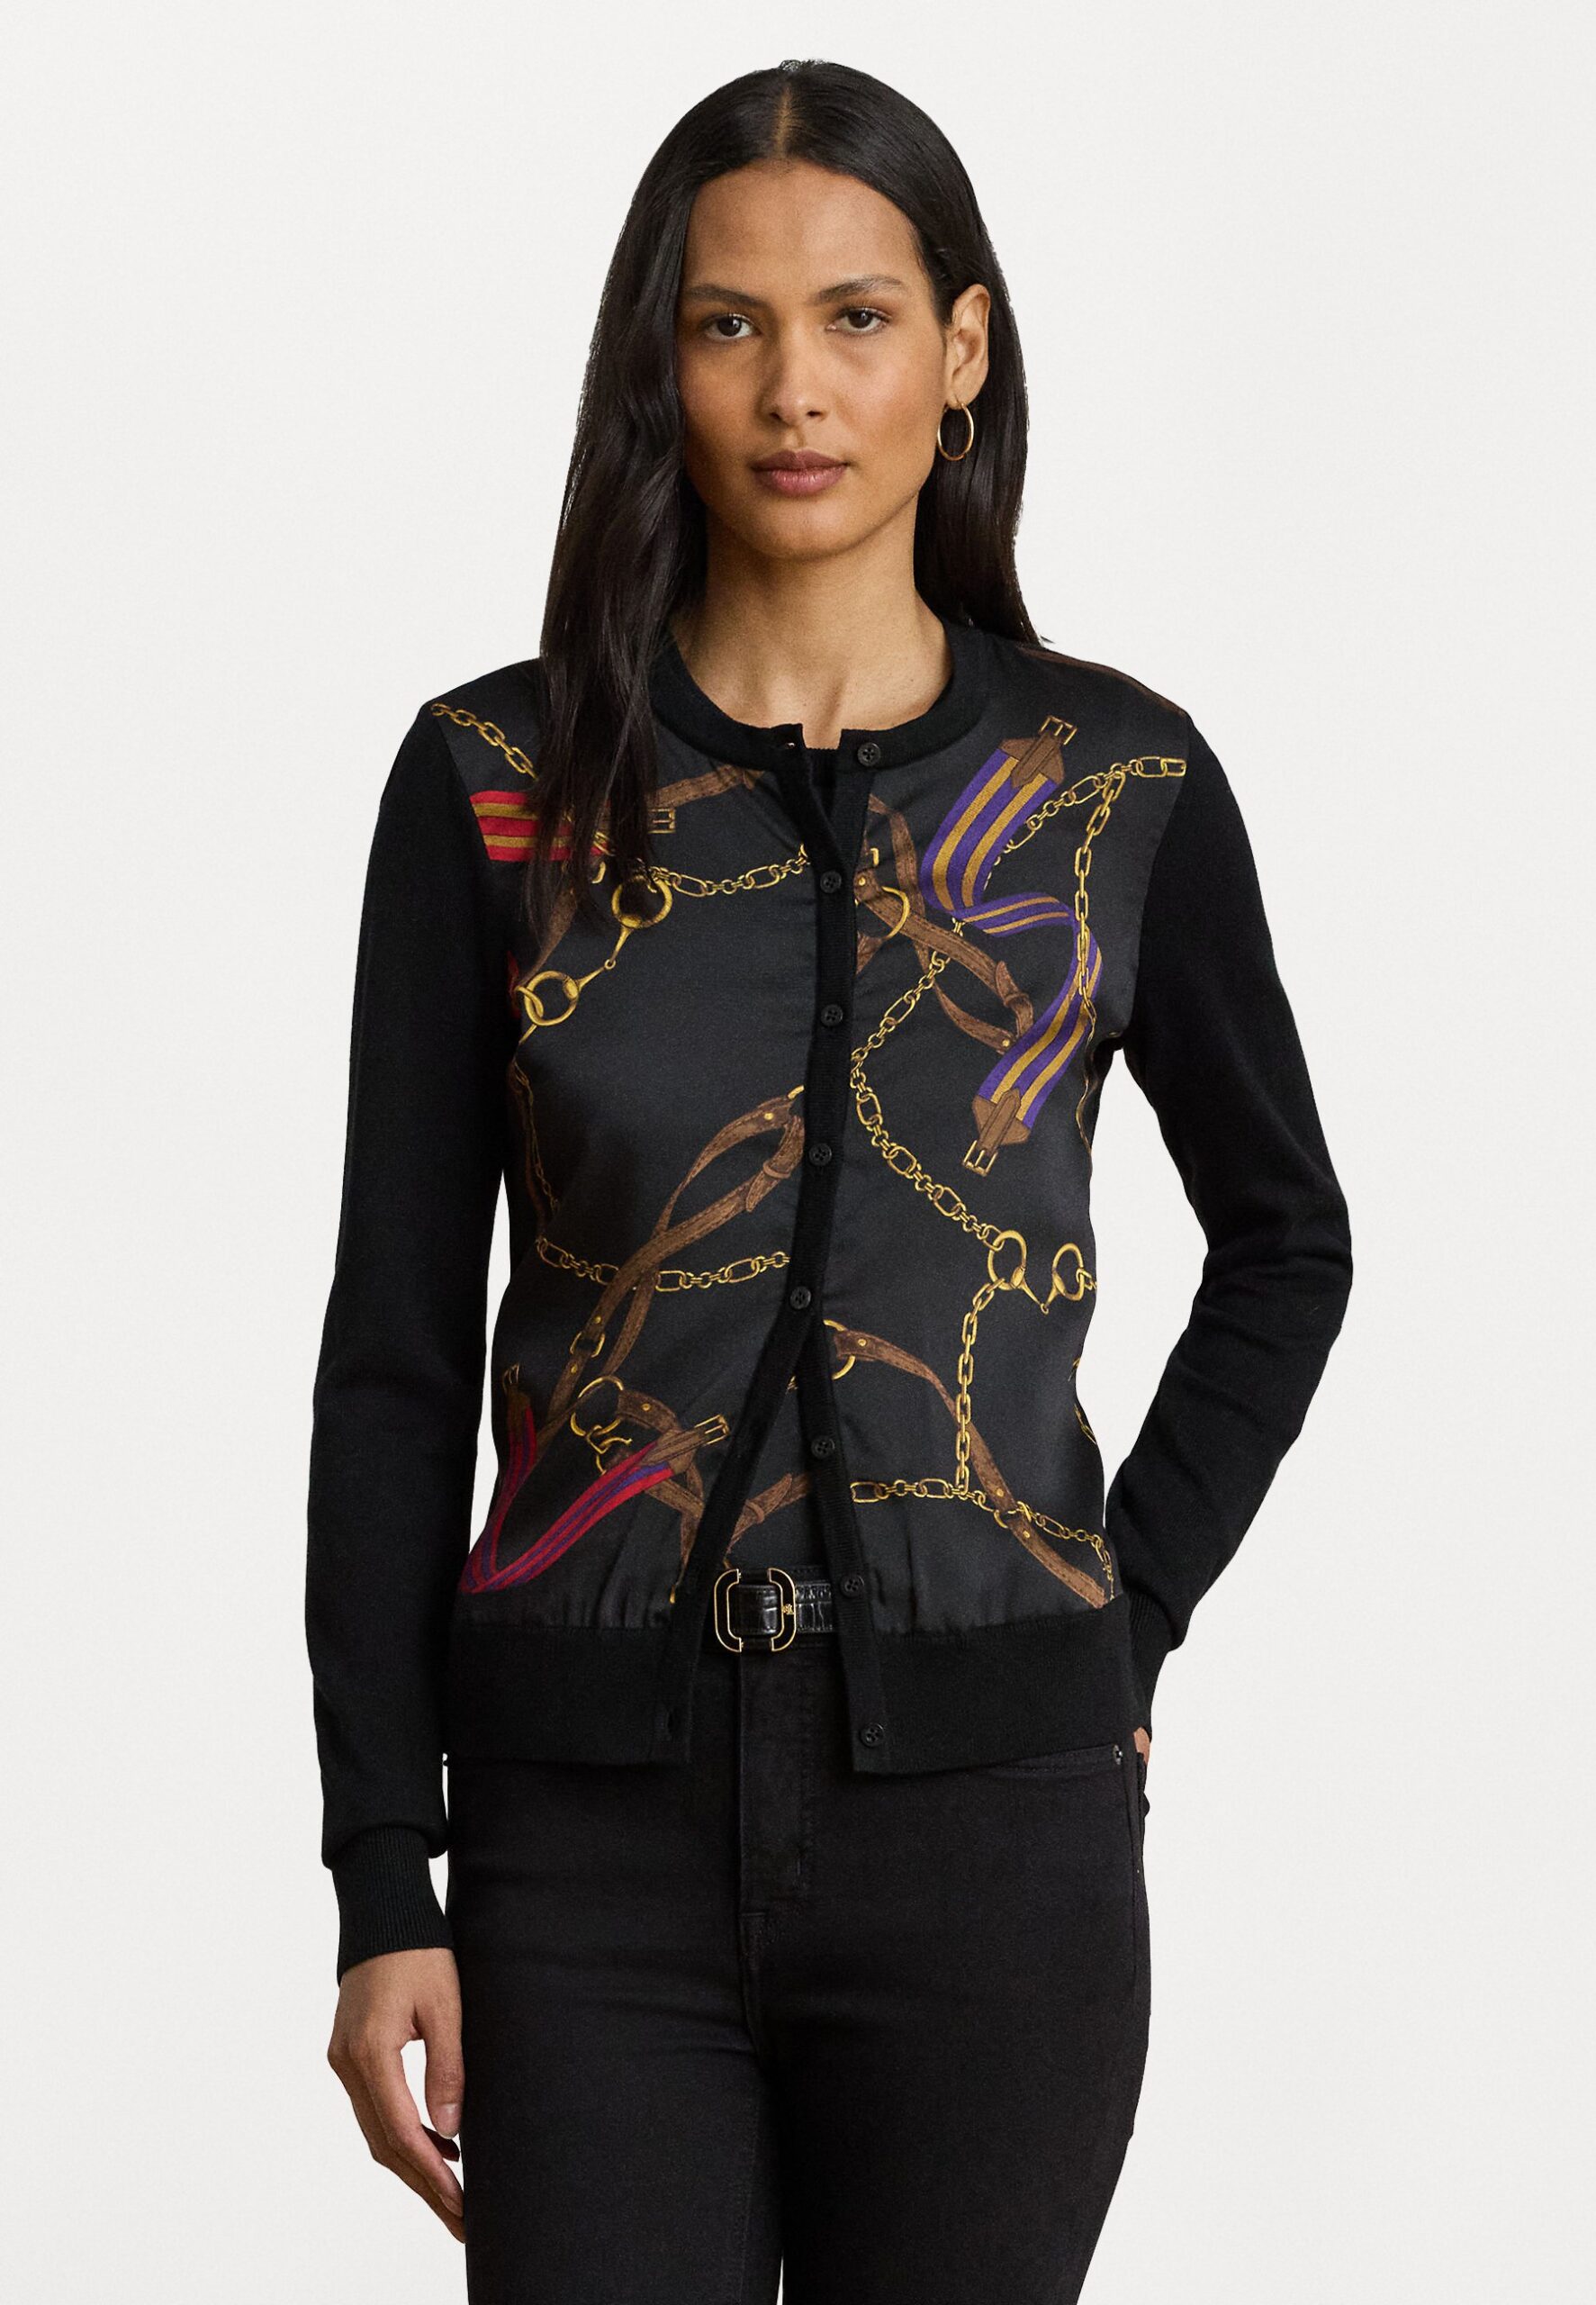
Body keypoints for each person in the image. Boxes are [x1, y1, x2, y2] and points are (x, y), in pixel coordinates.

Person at [305, 57, 1353, 2303]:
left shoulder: (1107, 786)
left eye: (857, 318)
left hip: (992, 1847)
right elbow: (391, 1358)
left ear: (960, 350)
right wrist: (385, 1865)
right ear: (658, 361)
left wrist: (1123, 1603)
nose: (795, 390)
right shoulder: (495, 787)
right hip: (579, 1855)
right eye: (731, 324)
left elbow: (1288, 1239)